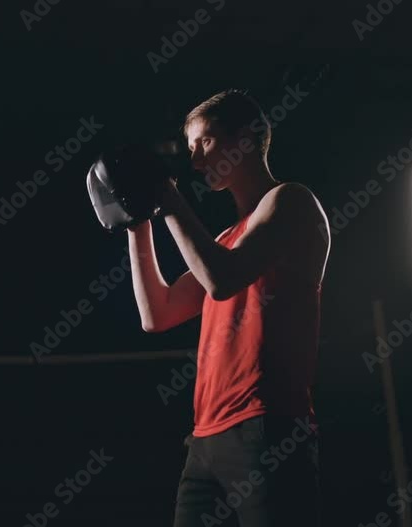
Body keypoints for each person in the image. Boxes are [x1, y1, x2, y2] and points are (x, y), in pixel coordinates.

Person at [97, 89, 330, 526]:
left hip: (268, 427)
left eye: (203, 142)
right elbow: (157, 314)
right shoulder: (224, 238)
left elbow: (222, 280)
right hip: (205, 437)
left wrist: (167, 197)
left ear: (245, 138)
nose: (195, 160)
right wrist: (137, 222)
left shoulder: (291, 201)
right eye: (190, 149)